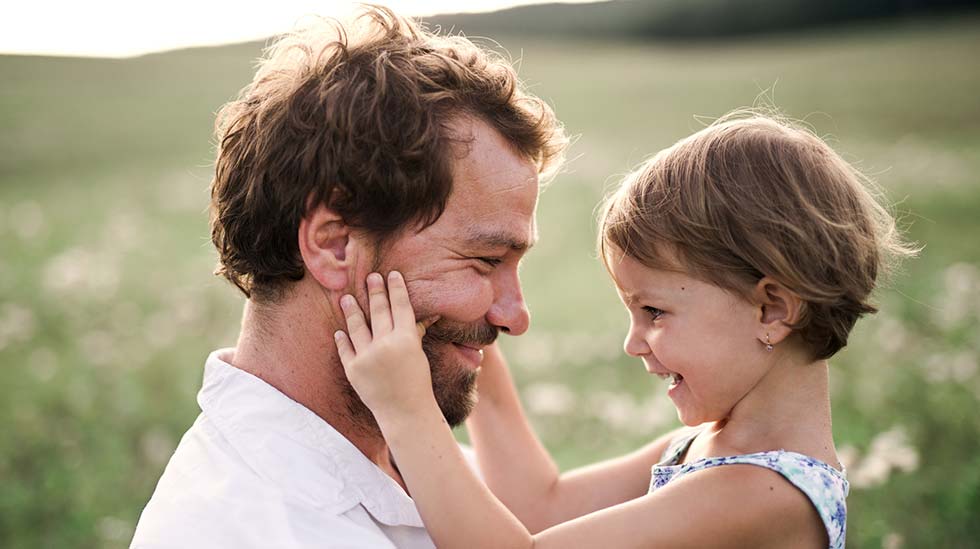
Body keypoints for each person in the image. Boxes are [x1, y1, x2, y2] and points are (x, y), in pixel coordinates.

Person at [336, 112, 917, 549]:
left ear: (771, 310)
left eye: (655, 313)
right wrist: (472, 336)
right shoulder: (704, 448)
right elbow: (540, 506)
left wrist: (408, 410)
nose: (633, 342)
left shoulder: (768, 494)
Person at [129, 5, 566, 548]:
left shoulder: (426, 468)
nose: (515, 316)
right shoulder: (251, 528)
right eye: (485, 260)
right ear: (334, 245)